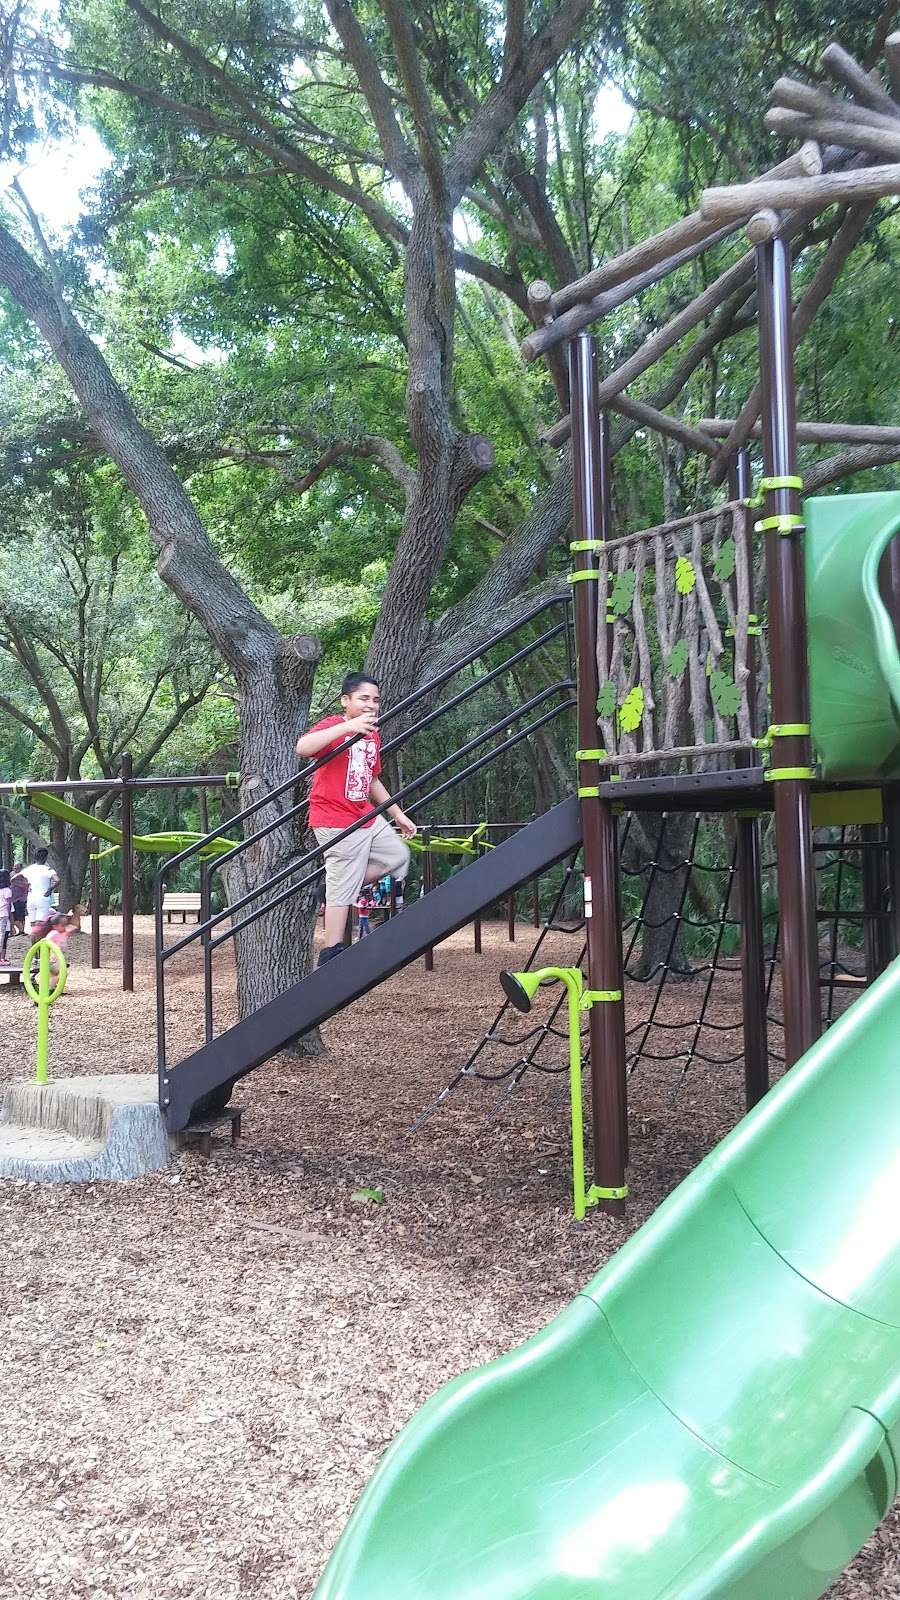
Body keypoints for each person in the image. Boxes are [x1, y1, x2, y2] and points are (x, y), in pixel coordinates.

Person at [297, 672, 417, 965]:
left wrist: (397, 814)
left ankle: (332, 889)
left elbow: (372, 779)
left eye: (376, 700)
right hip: (333, 817)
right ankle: (331, 952)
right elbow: (303, 748)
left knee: (398, 857)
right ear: (346, 701)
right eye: (364, 698)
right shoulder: (336, 725)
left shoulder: (372, 734)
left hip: (364, 815)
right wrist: (347, 727)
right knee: (343, 881)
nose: (371, 705)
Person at [23, 847, 58, 932]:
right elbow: (57, 880)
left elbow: (14, 879)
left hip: (31, 899)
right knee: (41, 926)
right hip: (43, 899)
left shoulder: (29, 869)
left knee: (33, 926)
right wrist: (50, 889)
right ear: (46, 857)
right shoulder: (48, 869)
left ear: (35, 857)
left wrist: (27, 885)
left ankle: (34, 945)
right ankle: (40, 943)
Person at [9, 862, 28, 935]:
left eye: (17, 868)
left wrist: (15, 882)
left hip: (21, 898)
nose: (15, 870)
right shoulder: (11, 874)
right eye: (14, 868)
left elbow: (26, 884)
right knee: (14, 916)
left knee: (21, 915)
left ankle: (22, 931)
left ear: (21, 868)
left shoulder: (24, 875)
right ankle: (19, 930)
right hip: (12, 898)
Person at [0, 870, 12, 964]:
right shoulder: (7, 891)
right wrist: (9, 917)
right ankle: (1, 958)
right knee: (2, 936)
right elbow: (8, 905)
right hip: (3, 914)